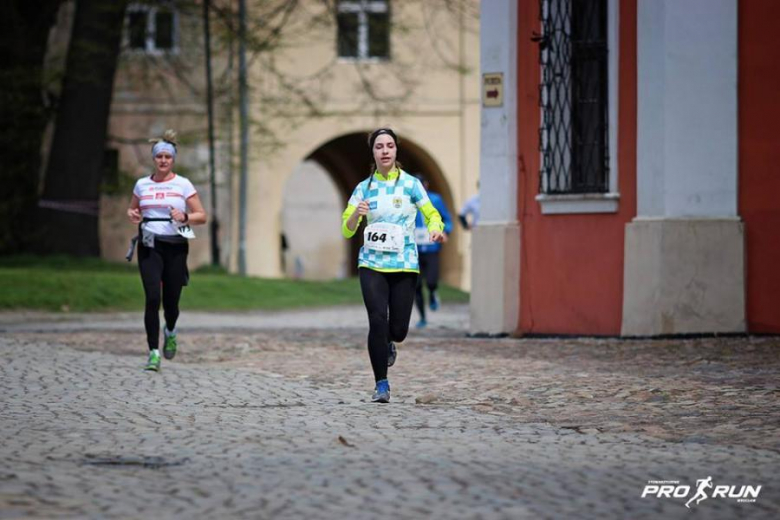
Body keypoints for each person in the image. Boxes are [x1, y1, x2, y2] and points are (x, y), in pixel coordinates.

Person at [342, 128, 445, 403]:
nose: (385, 151)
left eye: (389, 146)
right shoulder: (364, 188)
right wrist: (356, 215)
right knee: (377, 320)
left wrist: (435, 228)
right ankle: (381, 385)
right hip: (372, 263)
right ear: (373, 152)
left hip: (403, 265)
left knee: (397, 330)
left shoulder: (411, 184)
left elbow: (431, 213)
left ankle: (389, 342)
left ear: (396, 150)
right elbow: (347, 229)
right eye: (379, 146)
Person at [126, 129, 207, 372]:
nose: (163, 160)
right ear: (154, 158)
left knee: (171, 303)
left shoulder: (183, 184)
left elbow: (201, 216)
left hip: (176, 243)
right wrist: (133, 214)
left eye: (167, 157)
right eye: (159, 156)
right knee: (152, 298)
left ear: (173, 159)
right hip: (149, 243)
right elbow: (133, 209)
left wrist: (184, 216)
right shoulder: (142, 185)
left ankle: (170, 329)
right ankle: (153, 352)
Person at [413, 174, 452, 328]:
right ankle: (422, 317)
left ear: (427, 185)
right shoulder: (409, 202)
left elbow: (447, 219)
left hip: (431, 247)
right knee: (415, 285)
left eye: (422, 185)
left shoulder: (435, 200)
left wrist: (446, 232)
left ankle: (433, 292)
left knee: (431, 280)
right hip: (414, 249)